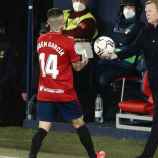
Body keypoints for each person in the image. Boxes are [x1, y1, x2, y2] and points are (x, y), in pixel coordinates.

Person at [102, 0, 158, 157]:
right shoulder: (147, 31)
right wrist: (115, 55)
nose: (146, 13)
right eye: (146, 11)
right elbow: (134, 48)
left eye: (150, 11)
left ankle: (146, 155)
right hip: (155, 82)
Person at [28, 8, 105, 158]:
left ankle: (31, 156)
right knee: (78, 123)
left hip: (45, 92)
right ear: (63, 23)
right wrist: (85, 60)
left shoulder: (40, 40)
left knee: (43, 128)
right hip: (64, 93)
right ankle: (93, 156)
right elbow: (76, 67)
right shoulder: (68, 42)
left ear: (49, 23)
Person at [95, 0, 145, 121]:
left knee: (103, 79)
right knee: (94, 71)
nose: (127, 10)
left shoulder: (140, 27)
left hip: (127, 65)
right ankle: (98, 108)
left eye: (131, 7)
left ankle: (112, 109)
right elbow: (111, 41)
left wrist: (119, 52)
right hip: (111, 61)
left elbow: (131, 45)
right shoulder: (117, 24)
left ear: (137, 9)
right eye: (125, 7)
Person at [63, 0, 99, 121]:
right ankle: (68, 114)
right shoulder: (65, 13)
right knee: (66, 84)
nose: (77, 2)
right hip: (66, 50)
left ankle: (85, 115)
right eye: (75, 0)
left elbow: (80, 33)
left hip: (84, 49)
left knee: (83, 84)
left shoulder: (89, 18)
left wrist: (62, 32)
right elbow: (49, 28)